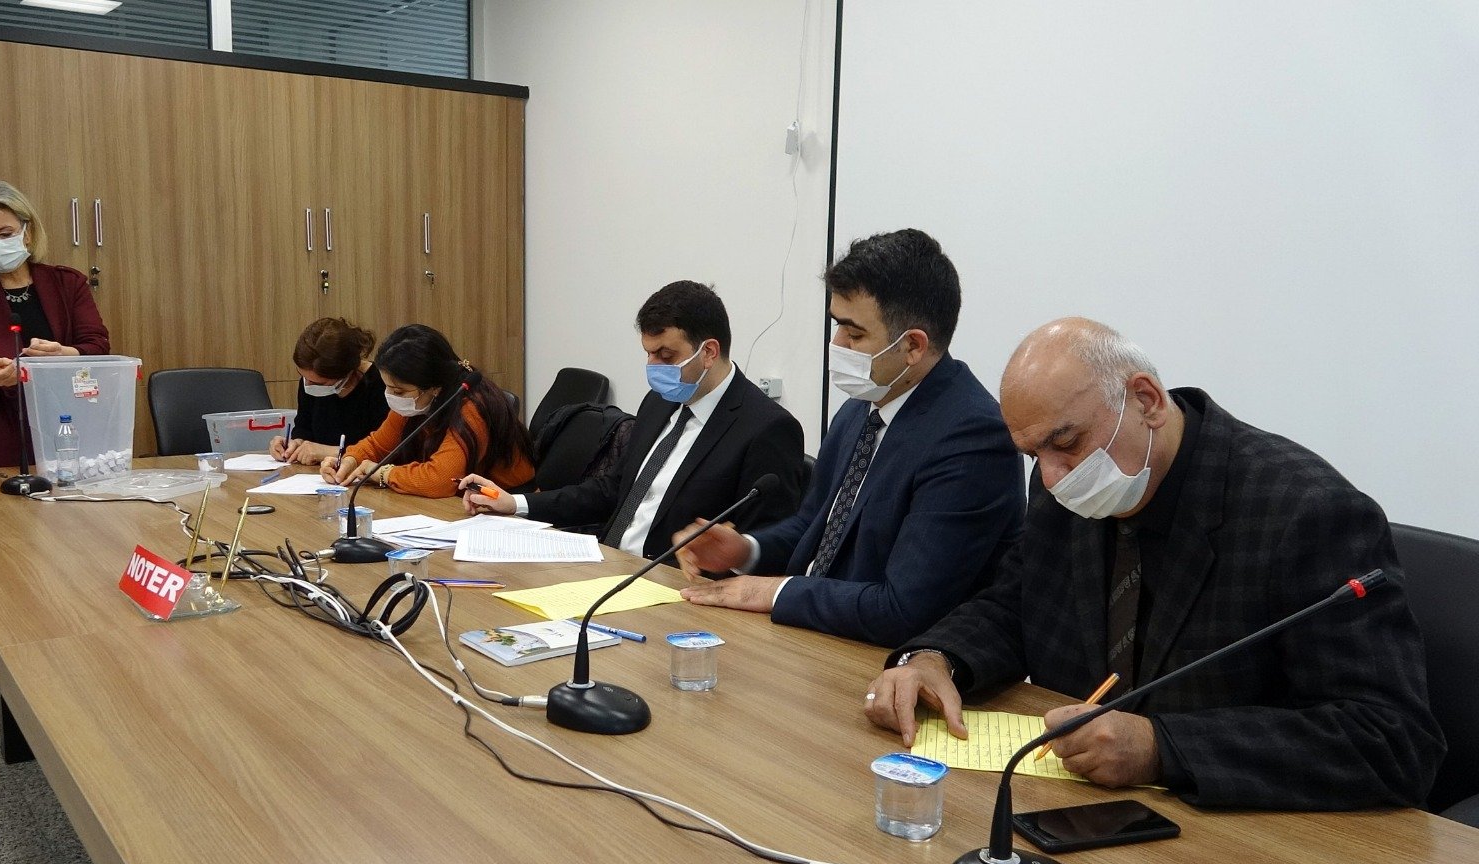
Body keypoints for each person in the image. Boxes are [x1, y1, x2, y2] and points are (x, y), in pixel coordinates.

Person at [865, 318, 1444, 811]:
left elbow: (1392, 740)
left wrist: (1162, 747)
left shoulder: (1307, 513)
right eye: (1033, 454)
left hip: (1249, 849)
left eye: (1066, 443)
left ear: (1145, 401)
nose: (1052, 477)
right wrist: (936, 659)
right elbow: (1017, 602)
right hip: (1080, 811)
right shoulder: (1066, 485)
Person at [675, 229, 1026, 647]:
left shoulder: (972, 438)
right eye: (837, 326)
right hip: (815, 638)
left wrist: (774, 592)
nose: (836, 344)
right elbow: (816, 527)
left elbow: (905, 610)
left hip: (888, 658)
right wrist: (745, 551)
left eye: (854, 334)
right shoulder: (863, 406)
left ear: (913, 346)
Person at [458, 280, 804, 562]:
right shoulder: (660, 402)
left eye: (665, 355)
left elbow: (766, 548)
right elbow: (612, 490)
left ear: (709, 352)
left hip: (673, 587)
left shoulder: (767, 428)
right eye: (649, 353)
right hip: (608, 562)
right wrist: (514, 503)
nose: (653, 366)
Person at [0, 180, 111, 469]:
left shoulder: (67, 283)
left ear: (27, 233)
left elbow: (98, 346)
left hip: (70, 428)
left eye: (4, 234)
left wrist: (63, 355)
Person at [320, 324, 533, 495]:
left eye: (398, 391)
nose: (391, 396)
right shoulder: (415, 401)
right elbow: (377, 445)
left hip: (508, 507)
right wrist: (350, 460)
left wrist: (383, 473)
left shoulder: (472, 407)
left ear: (434, 388)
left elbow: (440, 480)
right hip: (465, 501)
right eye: (387, 387)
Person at [269, 317, 390, 464]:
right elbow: (304, 427)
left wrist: (331, 452)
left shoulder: (381, 385)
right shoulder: (310, 380)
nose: (307, 384)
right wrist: (295, 444)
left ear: (345, 374)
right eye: (303, 376)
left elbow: (386, 449)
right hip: (316, 472)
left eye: (318, 383)